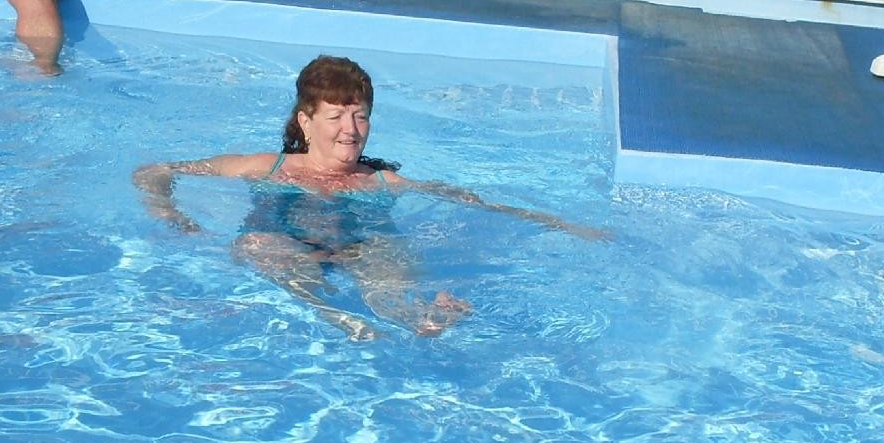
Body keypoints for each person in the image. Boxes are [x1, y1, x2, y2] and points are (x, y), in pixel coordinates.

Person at [134, 55, 607, 340]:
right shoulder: (267, 168)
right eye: (337, 116)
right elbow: (154, 171)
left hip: (358, 245)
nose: (350, 130)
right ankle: (339, 317)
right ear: (306, 121)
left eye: (359, 117)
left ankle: (419, 317)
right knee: (260, 246)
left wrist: (564, 225)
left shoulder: (382, 183)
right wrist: (173, 218)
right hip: (285, 244)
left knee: (386, 259)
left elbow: (476, 202)